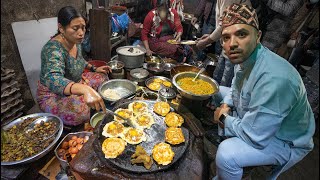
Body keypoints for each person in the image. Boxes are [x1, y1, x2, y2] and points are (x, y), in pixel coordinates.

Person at [211, 3, 315, 179]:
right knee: (215, 90)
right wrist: (226, 103)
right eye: (226, 38)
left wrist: (223, 118)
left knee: (226, 154)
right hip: (260, 120)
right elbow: (236, 84)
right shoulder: (247, 57)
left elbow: (255, 137)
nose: (232, 44)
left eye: (241, 34)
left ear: (258, 36)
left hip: (284, 139)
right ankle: (225, 137)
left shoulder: (276, 79)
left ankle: (231, 165)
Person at [37, 6, 111, 126]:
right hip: (53, 94)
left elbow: (80, 60)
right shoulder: (52, 49)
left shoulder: (75, 42)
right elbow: (53, 79)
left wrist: (95, 69)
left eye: (83, 28)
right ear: (61, 28)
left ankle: (92, 101)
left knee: (103, 77)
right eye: (75, 28)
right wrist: (85, 89)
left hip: (75, 82)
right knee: (81, 112)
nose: (81, 33)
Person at [196, 0, 251, 87]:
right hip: (227, 45)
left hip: (237, 47)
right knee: (216, 77)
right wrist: (210, 36)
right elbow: (222, 22)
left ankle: (219, 100)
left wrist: (206, 41)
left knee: (225, 83)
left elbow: (225, 23)